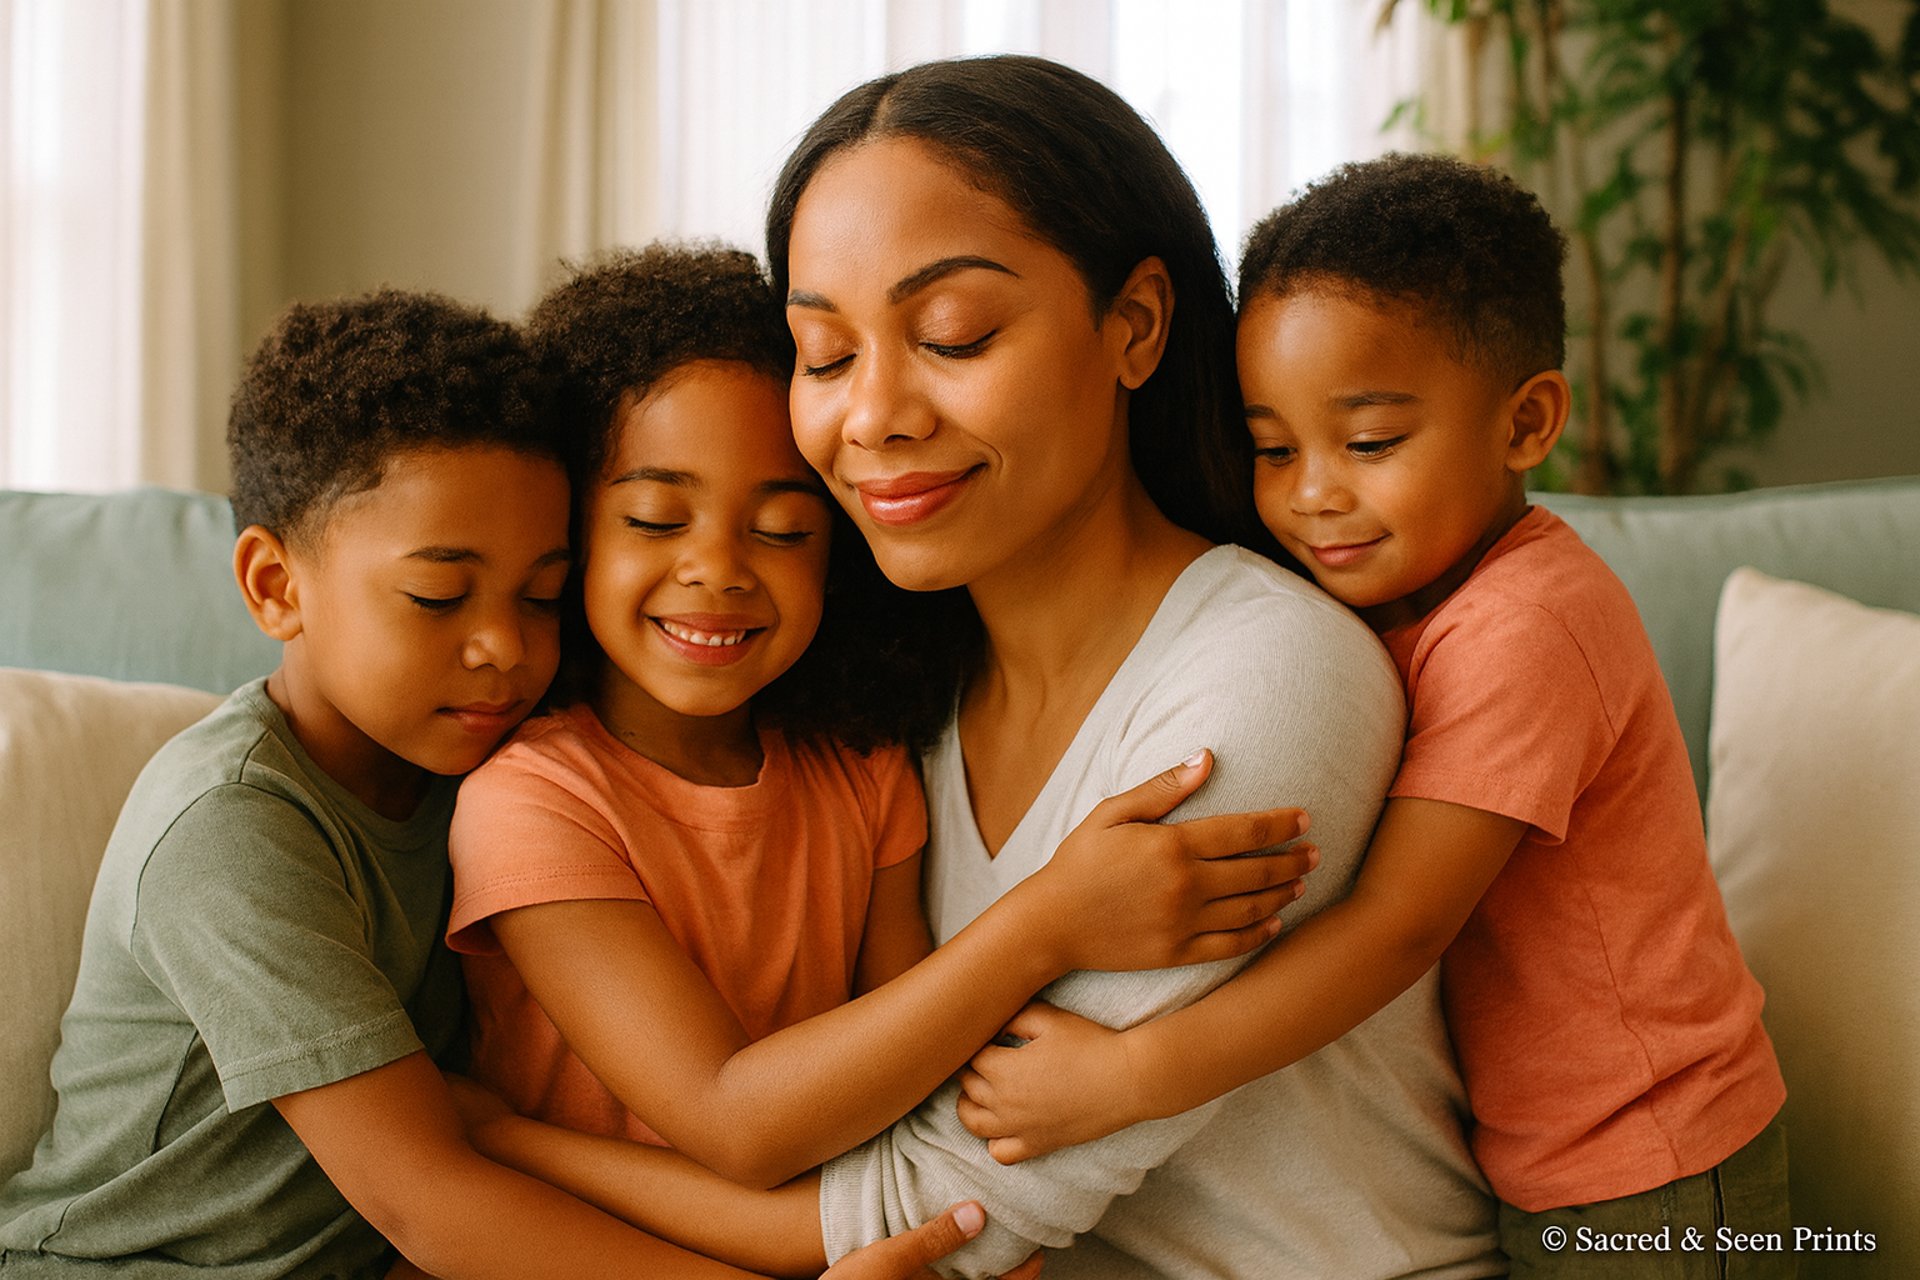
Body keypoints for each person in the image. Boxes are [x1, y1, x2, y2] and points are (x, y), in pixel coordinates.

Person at [459, 56, 1504, 1280]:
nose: (876, 414)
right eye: (826, 352)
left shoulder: (1267, 679)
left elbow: (933, 1213)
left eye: (952, 333)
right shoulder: (893, 702)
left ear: (1136, 325)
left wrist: (495, 1141)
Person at [0, 289, 1039, 1280]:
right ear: (277, 585)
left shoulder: (464, 757)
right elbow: (430, 1195)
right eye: (439, 595)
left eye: (541, 594)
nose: (502, 646)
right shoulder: (231, 830)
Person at [954, 154, 1791, 1278]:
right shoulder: (1372, 600)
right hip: (1536, 1157)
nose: (1312, 493)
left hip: (1660, 1168)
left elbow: (1397, 925)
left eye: (1371, 443)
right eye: (1274, 448)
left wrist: (1128, 1076)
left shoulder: (1527, 624)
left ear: (1527, 420)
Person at [443, 243, 1311, 1190]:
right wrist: (1050, 922)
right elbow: (737, 1124)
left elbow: (912, 1065)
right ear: (566, 535)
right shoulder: (533, 801)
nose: (719, 570)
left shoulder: (861, 766)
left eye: (783, 532)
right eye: (655, 519)